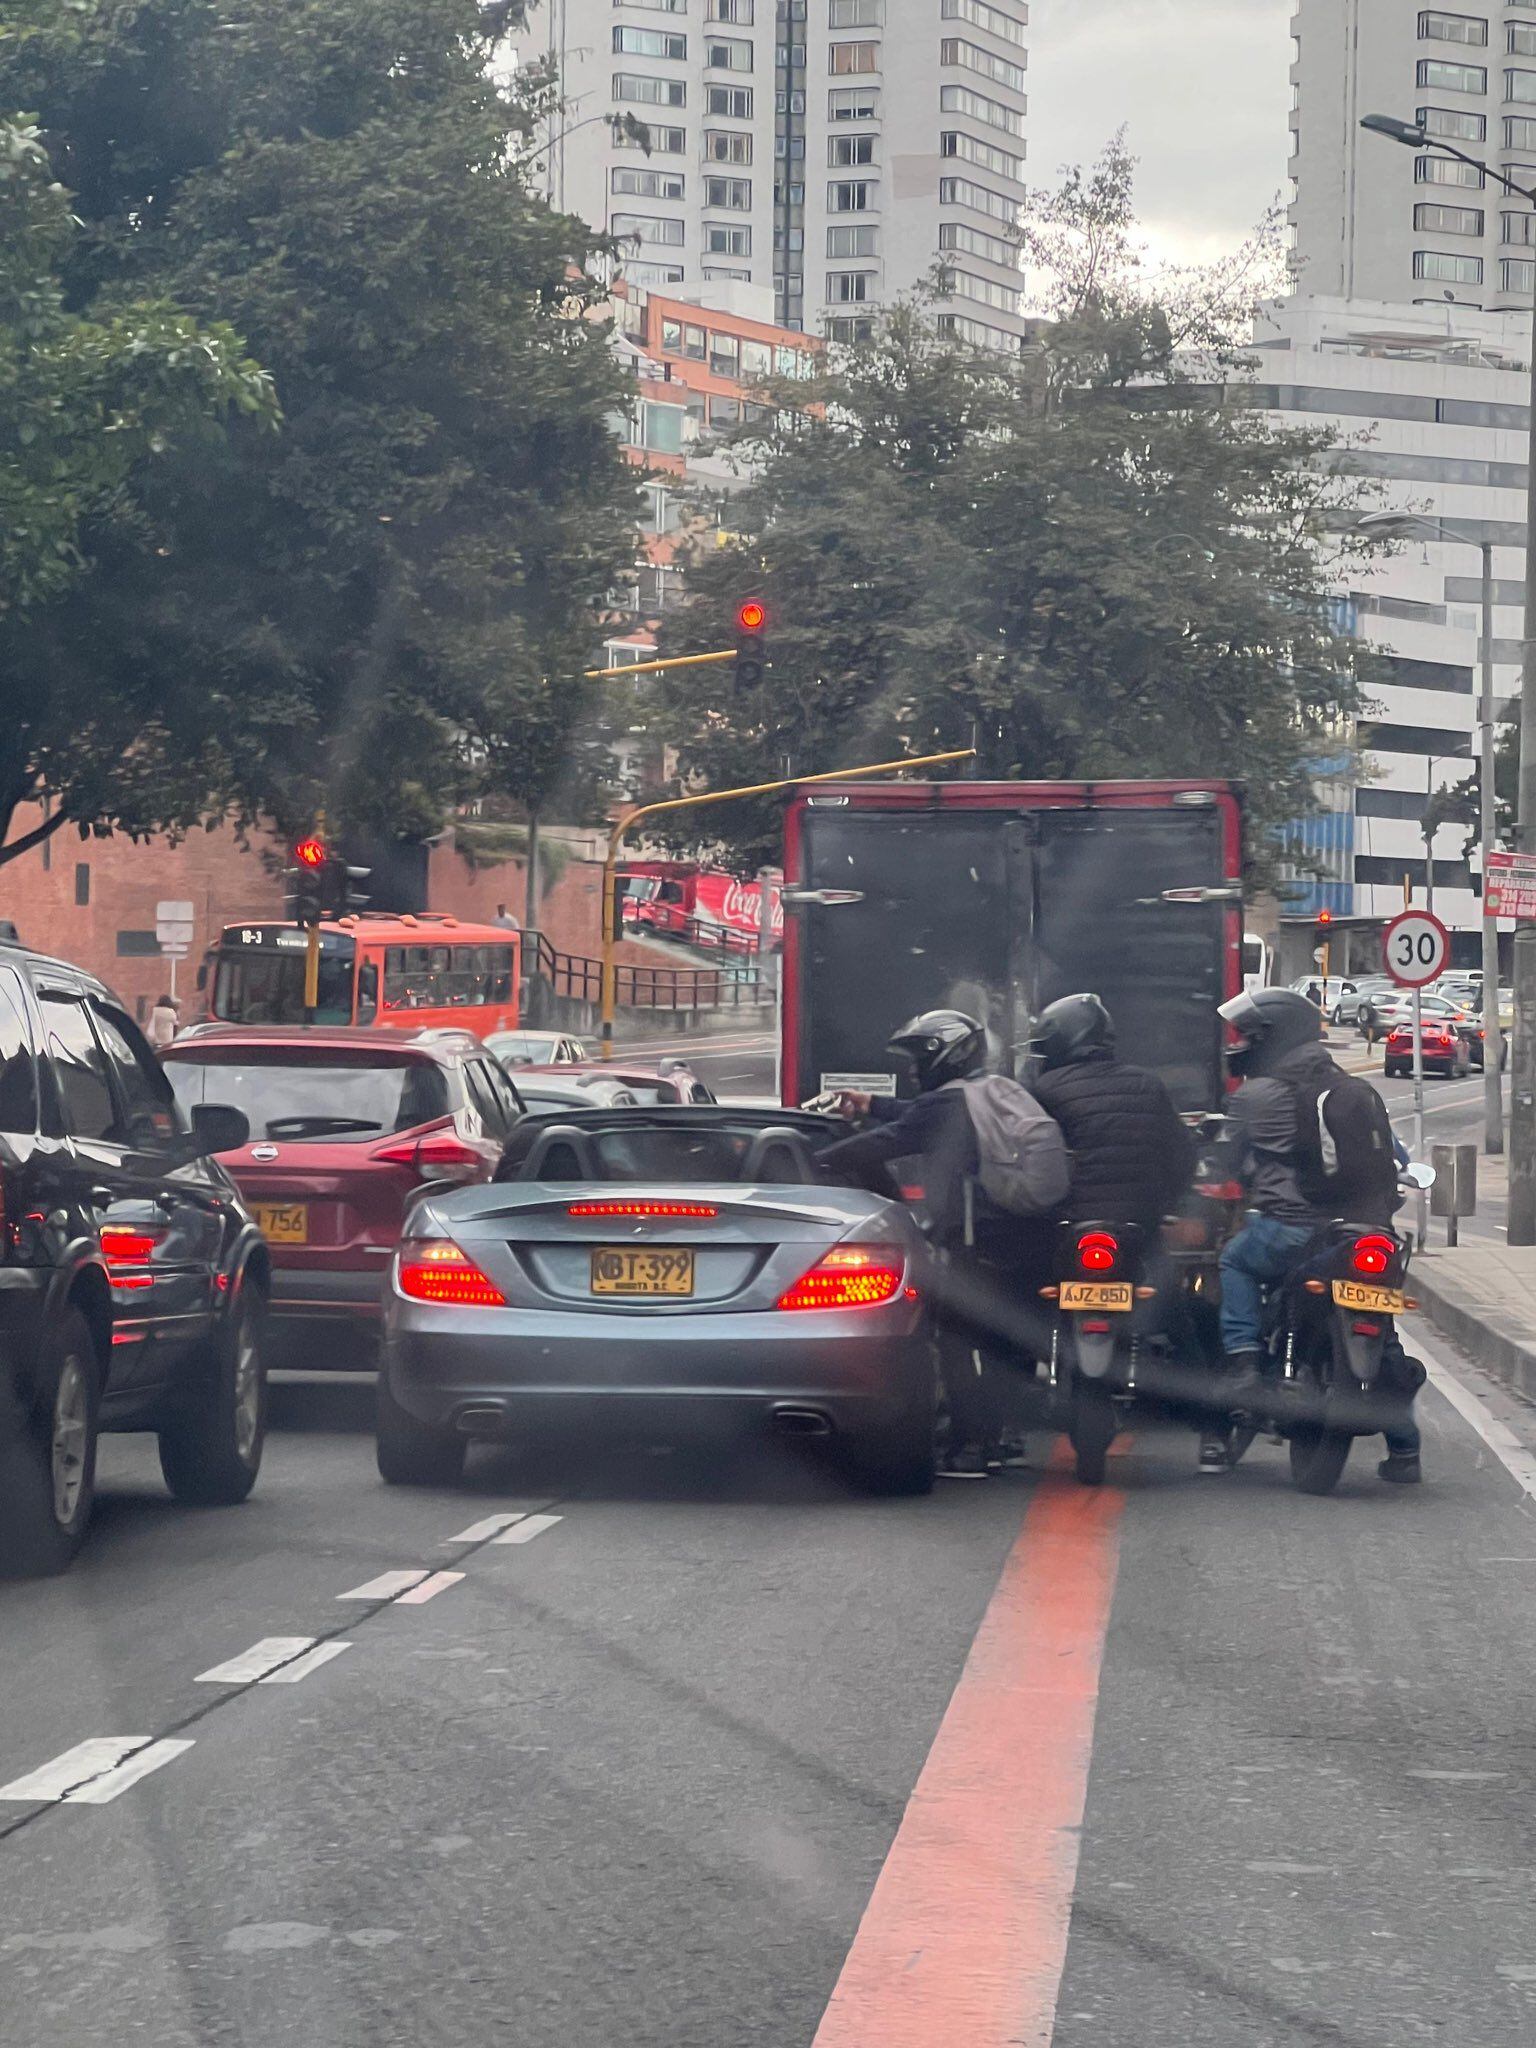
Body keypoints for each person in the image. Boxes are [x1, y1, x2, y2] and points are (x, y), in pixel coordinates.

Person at [819, 1009, 1049, 1479]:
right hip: (1022, 1235)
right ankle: (1003, 1438)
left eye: (918, 1059)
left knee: (958, 1341)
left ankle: (970, 1446)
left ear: (945, 1055)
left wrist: (809, 1158)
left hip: (971, 1241)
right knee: (1006, 1339)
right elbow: (915, 1116)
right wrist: (870, 1103)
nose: (912, 1070)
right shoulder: (982, 1092)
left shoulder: (946, 1104)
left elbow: (884, 1142)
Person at [1213, 987, 1422, 1482]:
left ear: (1273, 1039)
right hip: (1364, 1231)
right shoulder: (1351, 1090)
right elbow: (1396, 1157)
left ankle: (1244, 1364)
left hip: (1291, 1230)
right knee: (1381, 1325)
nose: (1242, 1044)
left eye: (1251, 1036)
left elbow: (1223, 1160)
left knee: (1234, 1260)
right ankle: (1406, 1447)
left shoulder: (1256, 1097)